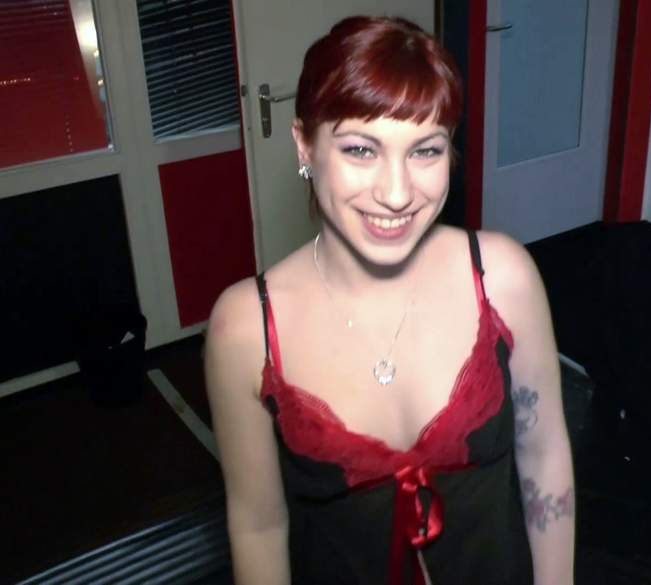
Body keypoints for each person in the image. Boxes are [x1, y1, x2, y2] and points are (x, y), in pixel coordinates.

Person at [205, 15, 575, 585]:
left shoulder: (503, 279)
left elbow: (545, 458)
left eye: (426, 151)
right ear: (304, 143)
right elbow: (259, 526)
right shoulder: (246, 328)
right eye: (360, 149)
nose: (397, 193)